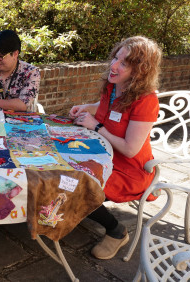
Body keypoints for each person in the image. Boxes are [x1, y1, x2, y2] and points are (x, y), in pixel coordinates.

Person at [69, 36, 162, 260]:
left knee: (78, 185)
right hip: (102, 153)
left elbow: (130, 149)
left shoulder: (145, 100)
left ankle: (117, 231)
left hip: (128, 168)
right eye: (115, 58)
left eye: (123, 63)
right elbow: (107, 108)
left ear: (140, 70)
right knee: (60, 169)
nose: (113, 66)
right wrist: (87, 108)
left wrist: (97, 126)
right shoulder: (113, 87)